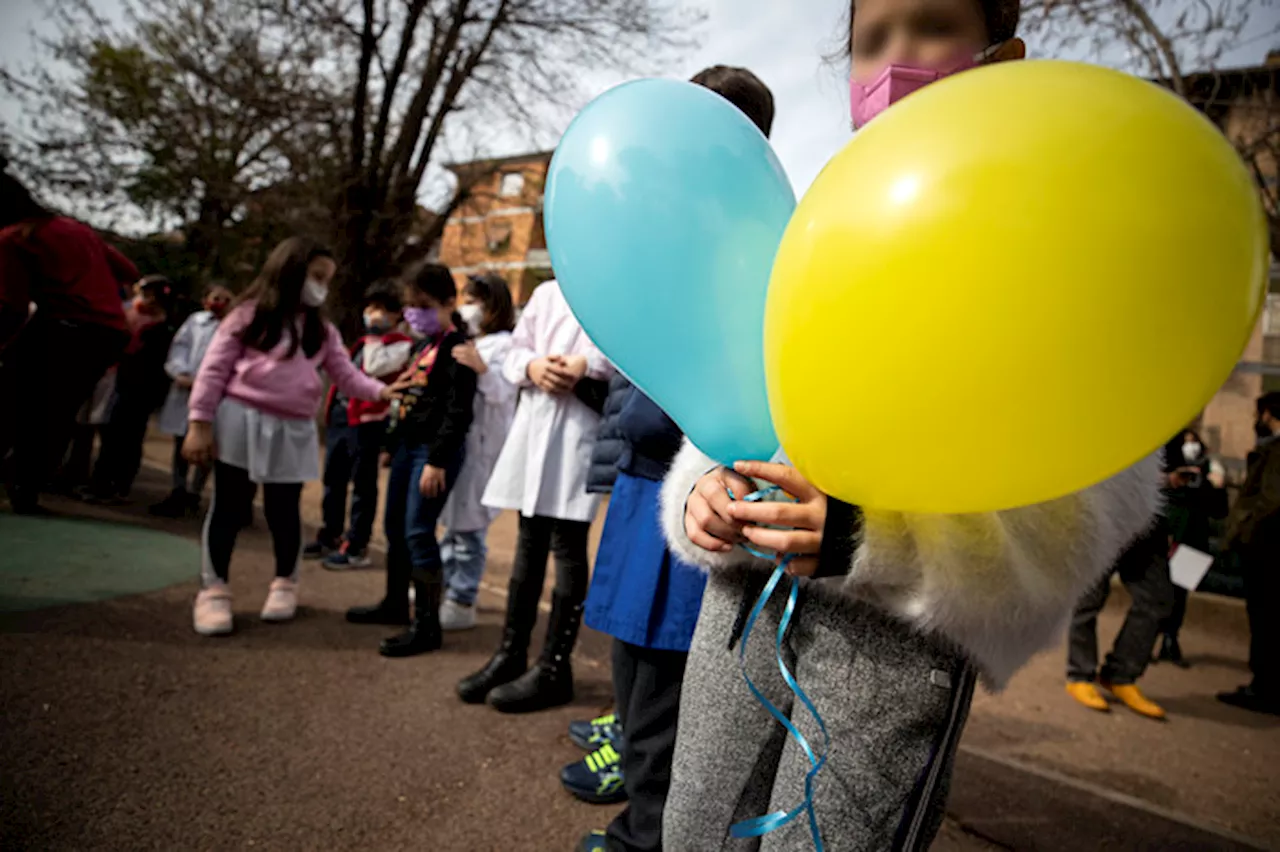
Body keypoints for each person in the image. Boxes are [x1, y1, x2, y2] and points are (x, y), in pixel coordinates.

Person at [657, 2, 1164, 849]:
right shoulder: (823, 222)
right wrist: (705, 491)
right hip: (743, 602)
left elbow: (1087, 506)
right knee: (692, 831)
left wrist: (868, 541)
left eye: (929, 24)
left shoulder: (1062, 242)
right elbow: (744, 396)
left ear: (1001, 56)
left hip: (890, 648)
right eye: (871, 40)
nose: (896, 57)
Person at [572, 64, 777, 852]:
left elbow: (689, 405)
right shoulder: (657, 234)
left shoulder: (744, 247)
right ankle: (635, 818)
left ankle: (641, 839)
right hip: (637, 499)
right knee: (633, 687)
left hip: (684, 500)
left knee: (663, 703)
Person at [183, 236, 397, 637]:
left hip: (293, 427)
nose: (321, 287)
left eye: (327, 280)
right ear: (290, 271)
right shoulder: (247, 316)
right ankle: (214, 589)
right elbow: (213, 371)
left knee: (284, 508)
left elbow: (345, 375)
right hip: (240, 418)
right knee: (229, 504)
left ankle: (286, 582)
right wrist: (199, 423)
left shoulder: (322, 330)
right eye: (316, 277)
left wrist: (381, 391)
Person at [456, 279, 611, 713]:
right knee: (528, 542)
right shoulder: (548, 292)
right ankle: (511, 654)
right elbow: (515, 352)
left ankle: (554, 667)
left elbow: (625, 358)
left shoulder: (615, 285)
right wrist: (533, 367)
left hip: (579, 431)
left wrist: (587, 364)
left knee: (567, 547)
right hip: (536, 426)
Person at [345, 264, 476, 656]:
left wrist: (437, 459)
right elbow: (410, 400)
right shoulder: (424, 346)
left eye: (424, 305)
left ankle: (427, 625)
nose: (414, 313)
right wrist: (391, 442)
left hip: (433, 452)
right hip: (407, 447)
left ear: (449, 303)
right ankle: (394, 603)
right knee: (395, 527)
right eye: (411, 306)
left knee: (419, 530)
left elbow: (458, 411)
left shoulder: (459, 349)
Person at [0, 163, 135, 514]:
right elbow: (129, 271)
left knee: (16, 398)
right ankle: (27, 490)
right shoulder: (74, 228)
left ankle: (19, 479)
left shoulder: (14, 238)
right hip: (108, 334)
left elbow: (11, 307)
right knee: (57, 412)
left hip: (65, 325)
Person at [303, 281, 413, 568]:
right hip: (343, 417)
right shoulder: (361, 343)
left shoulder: (401, 346)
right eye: (370, 308)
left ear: (396, 315)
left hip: (369, 422)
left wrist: (376, 335)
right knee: (333, 480)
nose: (373, 314)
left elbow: (374, 369)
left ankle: (357, 545)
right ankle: (330, 534)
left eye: (381, 310)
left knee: (362, 485)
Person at [435, 273, 518, 631]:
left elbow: (503, 391)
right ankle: (444, 582)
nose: (469, 306)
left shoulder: (504, 345)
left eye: (476, 300)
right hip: (463, 445)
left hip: (483, 447)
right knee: (452, 525)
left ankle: (462, 596)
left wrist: (481, 369)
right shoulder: (470, 341)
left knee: (469, 528)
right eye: (466, 298)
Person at [77, 274, 177, 503]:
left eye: (155, 296)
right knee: (102, 431)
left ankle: (119, 485)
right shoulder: (123, 314)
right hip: (111, 379)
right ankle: (95, 481)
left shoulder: (166, 327)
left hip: (139, 389)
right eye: (146, 294)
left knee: (128, 437)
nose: (149, 300)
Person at [1217, 392, 1280, 716]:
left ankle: (1264, 687)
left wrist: (1242, 529)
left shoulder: (1276, 452)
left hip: (1267, 551)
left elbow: (1270, 501)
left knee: (1265, 618)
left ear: (1268, 414)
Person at [151, 282, 235, 517]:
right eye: (216, 297)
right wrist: (182, 373)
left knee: (207, 447)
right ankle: (177, 489)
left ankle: (194, 492)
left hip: (216, 395)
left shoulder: (234, 327)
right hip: (186, 389)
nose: (220, 303)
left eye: (226, 299)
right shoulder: (195, 322)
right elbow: (180, 348)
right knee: (182, 443)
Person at [1153, 428, 1228, 666]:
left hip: (1194, 536)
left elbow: (1219, 510)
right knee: (1157, 589)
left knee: (1180, 591)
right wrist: (1171, 480)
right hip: (1168, 532)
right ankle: (1146, 642)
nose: (1190, 446)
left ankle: (1170, 639)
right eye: (1186, 441)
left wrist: (1213, 485)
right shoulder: (1165, 468)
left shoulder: (1209, 471)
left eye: (1194, 441)